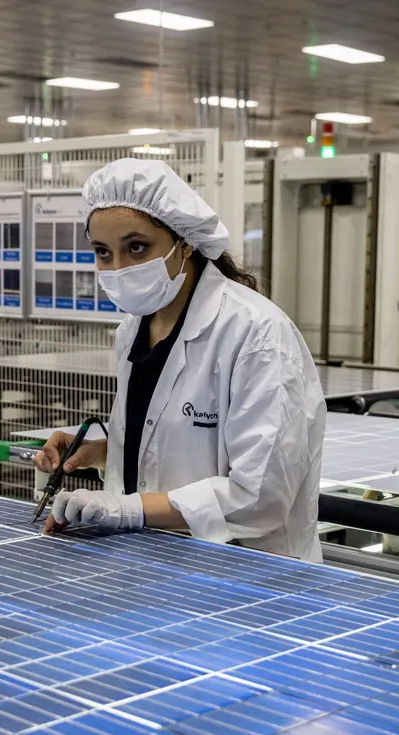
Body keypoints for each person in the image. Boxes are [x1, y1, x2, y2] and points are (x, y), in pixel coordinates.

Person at [34, 159, 326, 561]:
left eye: (137, 247)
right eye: (103, 252)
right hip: (157, 562)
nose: (118, 268)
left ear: (184, 242)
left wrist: (127, 509)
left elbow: (262, 496)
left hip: (248, 577)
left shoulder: (256, 334)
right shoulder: (133, 330)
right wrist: (102, 452)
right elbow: (167, 444)